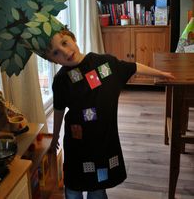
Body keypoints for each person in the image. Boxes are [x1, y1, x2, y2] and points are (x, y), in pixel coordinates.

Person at [45, 28, 175, 199]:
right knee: (74, 185)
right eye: (56, 52)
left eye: (64, 42)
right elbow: (59, 110)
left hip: (102, 139)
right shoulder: (61, 80)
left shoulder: (104, 64)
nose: (64, 52)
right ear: (52, 60)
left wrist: (160, 74)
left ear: (72, 38)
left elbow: (133, 67)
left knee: (98, 185)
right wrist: (55, 137)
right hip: (77, 141)